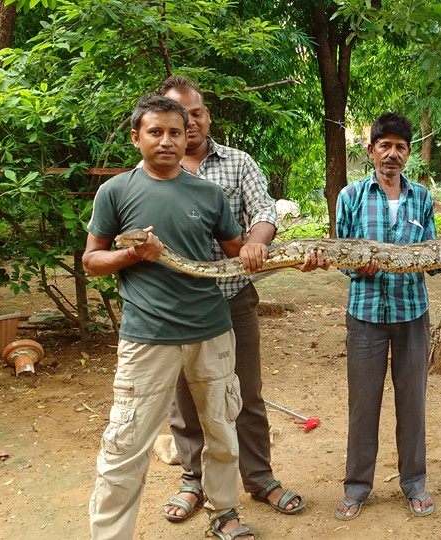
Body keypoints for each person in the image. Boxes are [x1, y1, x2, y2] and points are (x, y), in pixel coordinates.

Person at [84, 94, 261, 539]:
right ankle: (109, 534)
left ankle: (224, 514)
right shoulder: (116, 191)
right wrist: (133, 255)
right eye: (155, 132)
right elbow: (92, 259)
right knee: (127, 440)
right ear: (136, 137)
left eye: (175, 133)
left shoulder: (210, 193)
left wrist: (277, 253)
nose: (166, 141)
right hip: (148, 336)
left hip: (211, 330)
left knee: (221, 429)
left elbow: (238, 254)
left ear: (189, 137)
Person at [155, 76, 305, 522]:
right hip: (177, 306)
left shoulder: (238, 164)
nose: (189, 123)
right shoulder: (155, 173)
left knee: (247, 393)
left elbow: (262, 211)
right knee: (185, 399)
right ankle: (192, 483)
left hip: (233, 298)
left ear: (206, 114)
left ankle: (259, 479)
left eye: (196, 112)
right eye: (178, 116)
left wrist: (256, 243)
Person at [301, 112, 441, 520]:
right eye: (385, 146)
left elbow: (429, 257)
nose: (392, 154)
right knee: (363, 403)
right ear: (371, 150)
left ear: (408, 154)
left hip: (412, 314)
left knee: (412, 402)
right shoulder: (350, 196)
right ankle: (356, 486)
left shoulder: (422, 198)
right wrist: (360, 266)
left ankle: (414, 483)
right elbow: (342, 259)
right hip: (366, 316)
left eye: (400, 147)